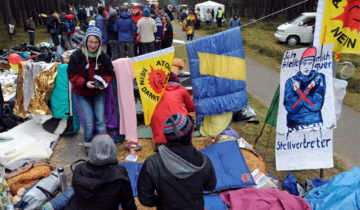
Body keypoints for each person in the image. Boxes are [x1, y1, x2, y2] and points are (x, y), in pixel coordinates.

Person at [138, 113, 217, 209]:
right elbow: (210, 187)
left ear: (166, 136)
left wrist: (161, 202)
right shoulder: (204, 161)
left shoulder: (152, 163)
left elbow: (145, 199)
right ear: (191, 133)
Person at [41, 135, 137, 210]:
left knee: (70, 193)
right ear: (113, 151)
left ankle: (48, 206)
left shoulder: (79, 169)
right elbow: (128, 204)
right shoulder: (120, 174)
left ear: (92, 151)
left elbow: (78, 193)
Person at [67, 27, 115, 150]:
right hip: (82, 93)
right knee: (88, 121)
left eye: (96, 42)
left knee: (100, 120)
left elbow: (110, 74)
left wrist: (103, 81)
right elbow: (72, 75)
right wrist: (85, 83)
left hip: (98, 92)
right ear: (85, 41)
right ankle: (89, 145)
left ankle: (104, 146)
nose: (93, 45)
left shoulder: (104, 57)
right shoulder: (76, 56)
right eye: (90, 42)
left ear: (99, 43)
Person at [284, 47, 326, 132]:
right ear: (299, 64)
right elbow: (291, 107)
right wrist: (308, 93)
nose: (307, 67)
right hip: (294, 124)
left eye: (310, 63)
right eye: (304, 63)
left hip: (314, 122)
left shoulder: (318, 78)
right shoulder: (291, 81)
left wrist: (298, 91)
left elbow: (316, 105)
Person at [150, 72, 194, 144]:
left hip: (160, 137)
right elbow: (191, 108)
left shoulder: (156, 91)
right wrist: (182, 107)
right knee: (188, 120)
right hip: (180, 131)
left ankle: (159, 144)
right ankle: (186, 142)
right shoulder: (182, 89)